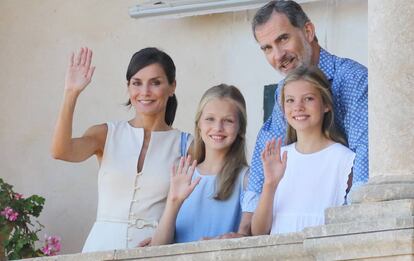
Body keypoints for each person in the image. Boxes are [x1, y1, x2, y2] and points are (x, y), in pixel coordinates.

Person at [51, 47, 191, 252]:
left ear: (172, 87)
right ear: (128, 87)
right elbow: (61, 151)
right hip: (100, 249)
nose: (145, 92)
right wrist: (71, 93)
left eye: (156, 82)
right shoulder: (106, 134)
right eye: (137, 83)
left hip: (153, 250)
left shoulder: (187, 145)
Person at [243, 0, 368, 217]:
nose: (278, 55)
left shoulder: (352, 78)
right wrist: (246, 224)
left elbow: (363, 156)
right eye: (267, 48)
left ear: (308, 31)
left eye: (283, 39)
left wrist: (349, 225)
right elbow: (268, 145)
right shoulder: (284, 89)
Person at [251, 66, 355, 235]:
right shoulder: (279, 158)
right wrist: (270, 184)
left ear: (326, 105)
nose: (298, 107)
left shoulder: (343, 160)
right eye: (290, 100)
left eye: (308, 99)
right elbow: (259, 232)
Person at [150, 84, 250, 245]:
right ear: (199, 124)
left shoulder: (246, 179)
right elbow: (157, 247)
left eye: (228, 121)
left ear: (240, 128)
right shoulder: (184, 176)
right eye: (210, 119)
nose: (218, 128)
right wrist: (174, 201)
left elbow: (249, 237)